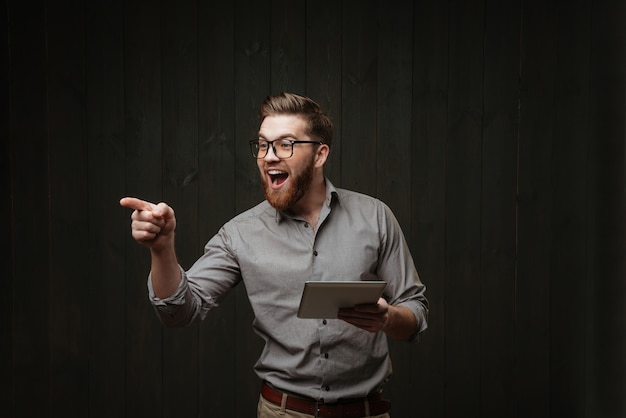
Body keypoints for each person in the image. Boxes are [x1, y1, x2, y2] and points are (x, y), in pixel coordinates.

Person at [120, 92, 428, 418]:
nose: (269, 156)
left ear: (320, 154)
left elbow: (415, 312)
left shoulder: (375, 217)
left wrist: (388, 318)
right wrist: (162, 248)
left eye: (285, 144)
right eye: (263, 145)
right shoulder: (240, 233)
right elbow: (179, 311)